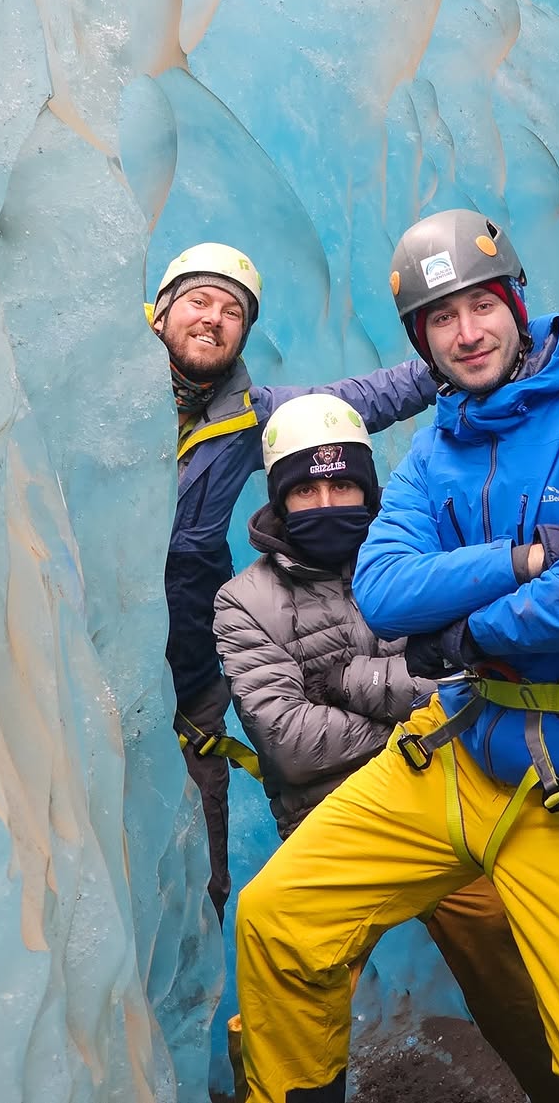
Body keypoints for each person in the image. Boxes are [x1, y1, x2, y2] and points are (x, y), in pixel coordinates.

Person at [234, 210, 559, 1102]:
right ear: (421, 341)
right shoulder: (434, 448)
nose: (467, 331)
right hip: (452, 750)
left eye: (481, 304)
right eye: (442, 318)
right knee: (277, 918)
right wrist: (523, 560)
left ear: (516, 304)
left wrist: (470, 632)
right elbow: (387, 587)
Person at [214, 394, 559, 1103]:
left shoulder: (415, 560)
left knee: (521, 974)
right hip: (328, 817)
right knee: (282, 982)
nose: (327, 501)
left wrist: (353, 682)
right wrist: (416, 709)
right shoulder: (244, 600)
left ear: (368, 488)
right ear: (280, 498)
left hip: (444, 791)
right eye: (306, 488)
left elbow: (473, 674)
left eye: (342, 485)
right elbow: (288, 742)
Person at [149, 242, 436, 923]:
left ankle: (196, 986)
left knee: (192, 843)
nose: (212, 320)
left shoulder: (247, 415)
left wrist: (450, 366)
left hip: (189, 667)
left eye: (232, 311)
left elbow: (349, 405)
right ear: (159, 312)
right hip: (92, 651)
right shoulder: (97, 394)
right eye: (198, 301)